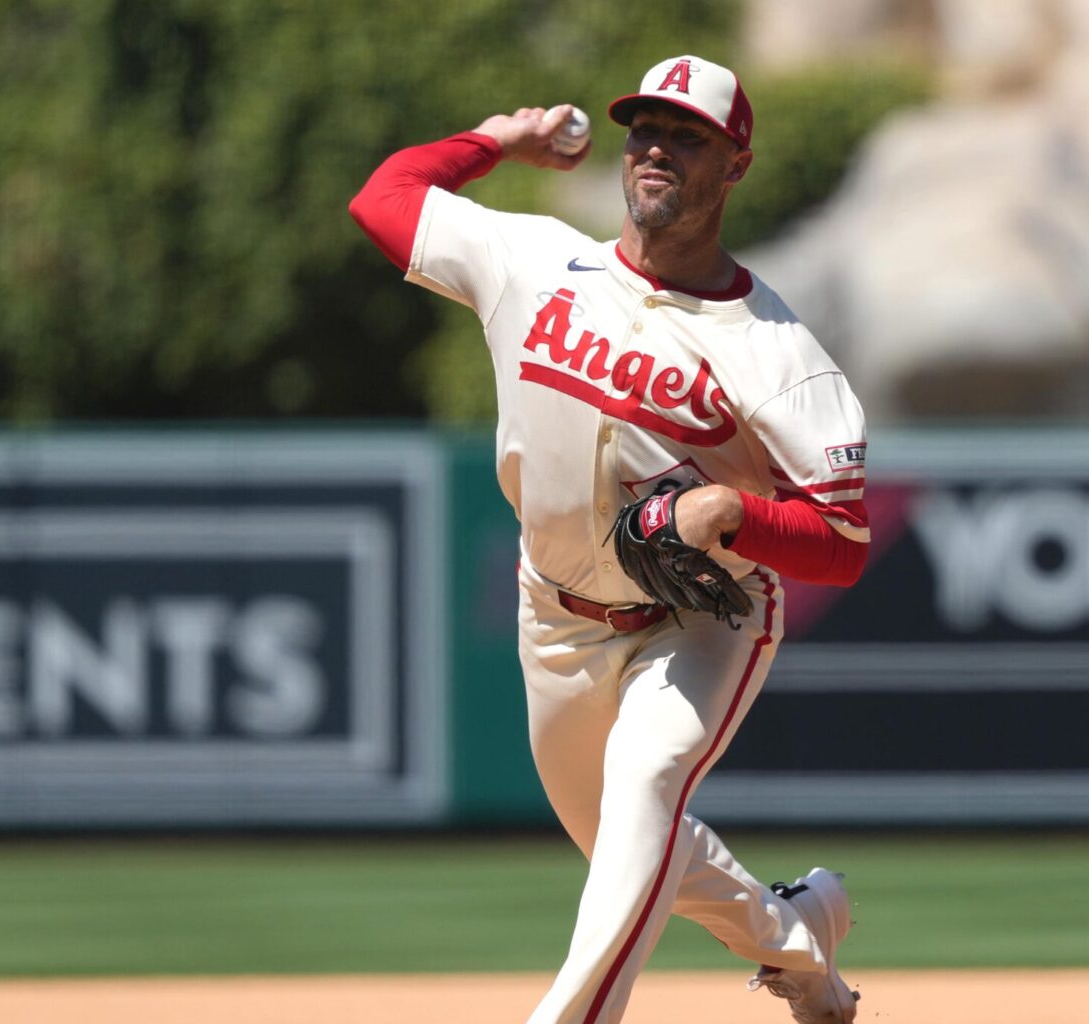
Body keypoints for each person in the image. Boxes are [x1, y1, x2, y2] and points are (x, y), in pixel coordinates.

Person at [350, 55, 871, 1024]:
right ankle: (799, 937)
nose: (658, 148)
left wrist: (736, 513)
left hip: (699, 620)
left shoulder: (777, 352)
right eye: (646, 128)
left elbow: (842, 539)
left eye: (688, 135)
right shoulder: (535, 259)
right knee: (635, 849)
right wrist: (498, 142)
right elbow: (384, 199)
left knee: (646, 787)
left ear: (735, 164)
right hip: (553, 618)